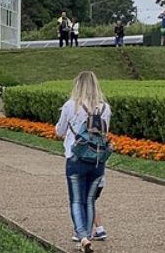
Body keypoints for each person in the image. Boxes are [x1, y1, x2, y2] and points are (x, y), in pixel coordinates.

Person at [54, 71, 111, 253]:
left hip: (75, 157)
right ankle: (86, 234)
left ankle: (83, 237)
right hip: (97, 160)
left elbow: (59, 130)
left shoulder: (71, 106)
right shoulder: (105, 108)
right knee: (89, 200)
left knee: (76, 200)